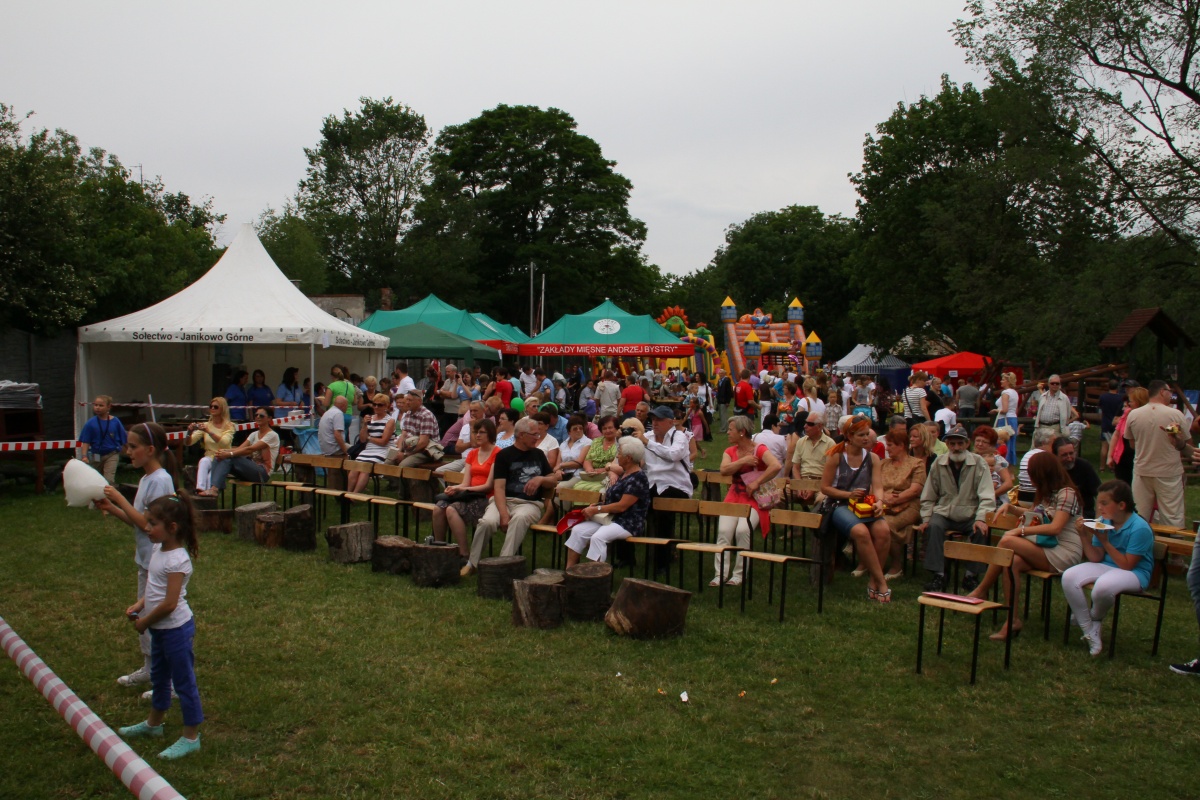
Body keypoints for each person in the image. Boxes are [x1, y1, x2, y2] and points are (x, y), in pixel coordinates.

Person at [116, 493, 204, 760]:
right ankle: (154, 723)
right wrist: (140, 604)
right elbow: (154, 588)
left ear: (172, 528)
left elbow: (169, 603)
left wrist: (144, 622)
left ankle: (191, 737)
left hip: (176, 629)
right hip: (160, 628)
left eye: (152, 523)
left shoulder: (178, 560)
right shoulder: (157, 549)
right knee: (159, 676)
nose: (147, 527)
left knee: (183, 681)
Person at [94, 421, 177, 690]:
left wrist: (118, 498)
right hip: (146, 560)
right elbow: (138, 521)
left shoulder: (161, 481)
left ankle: (170, 680)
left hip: (159, 563)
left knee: (159, 620)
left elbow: (148, 524)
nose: (128, 451)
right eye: (128, 446)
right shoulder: (145, 479)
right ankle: (150, 668)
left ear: (150, 449)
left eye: (133, 446)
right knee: (144, 619)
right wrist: (111, 506)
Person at [967, 451, 1083, 639]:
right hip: (1046, 547)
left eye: (1033, 475)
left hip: (1064, 551)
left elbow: (1055, 527)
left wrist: (1020, 531)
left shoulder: (1067, 493)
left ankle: (981, 590)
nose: (1031, 480)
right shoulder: (1046, 493)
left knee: (1006, 541)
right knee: (1011, 562)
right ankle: (1012, 620)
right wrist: (1011, 508)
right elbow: (1032, 514)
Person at [1061, 480, 1155, 656]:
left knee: (1102, 588)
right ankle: (1089, 629)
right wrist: (1083, 535)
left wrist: (1105, 541)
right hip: (1108, 566)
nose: (1099, 508)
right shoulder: (1104, 522)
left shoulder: (1139, 528)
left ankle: (1093, 618)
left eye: (1104, 503)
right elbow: (1096, 557)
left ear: (1121, 505)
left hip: (1134, 573)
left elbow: (1127, 565)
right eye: (1099, 502)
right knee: (1068, 577)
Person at [463, 418, 560, 575]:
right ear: (522, 435)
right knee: (486, 522)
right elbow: (499, 488)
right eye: (534, 434)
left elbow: (553, 480)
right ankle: (472, 563)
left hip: (529, 504)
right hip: (503, 501)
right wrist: (503, 514)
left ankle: (502, 565)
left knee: (519, 519)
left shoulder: (539, 454)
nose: (538, 437)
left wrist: (541, 479)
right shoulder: (504, 456)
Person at [915, 424, 996, 593]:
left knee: (981, 530)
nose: (956, 448)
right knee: (934, 526)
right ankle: (939, 575)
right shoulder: (939, 462)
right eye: (952, 444)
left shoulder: (979, 463)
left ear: (967, 444)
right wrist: (926, 518)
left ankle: (970, 576)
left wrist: (981, 518)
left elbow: (987, 495)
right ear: (948, 445)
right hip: (945, 511)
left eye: (960, 444)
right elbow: (928, 494)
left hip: (970, 512)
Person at [819, 414, 892, 600]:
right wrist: (848, 495)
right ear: (849, 436)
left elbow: (877, 486)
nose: (866, 438)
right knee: (861, 532)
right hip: (839, 505)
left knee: (883, 530)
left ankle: (873, 581)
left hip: (864, 505)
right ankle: (881, 581)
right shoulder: (836, 457)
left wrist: (879, 502)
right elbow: (825, 488)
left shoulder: (873, 458)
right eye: (861, 435)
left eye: (867, 434)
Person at [714, 416, 782, 587]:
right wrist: (744, 460)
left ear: (742, 432)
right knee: (723, 530)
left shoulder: (760, 449)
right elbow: (723, 470)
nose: (728, 432)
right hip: (734, 495)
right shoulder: (729, 451)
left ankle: (739, 573)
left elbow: (776, 466)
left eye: (731, 429)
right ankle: (720, 573)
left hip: (754, 497)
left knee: (743, 530)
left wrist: (757, 482)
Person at [565, 437, 651, 566]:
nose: (617, 455)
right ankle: (570, 572)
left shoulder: (638, 478)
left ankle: (596, 577)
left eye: (620, 453)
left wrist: (597, 509)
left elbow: (622, 506)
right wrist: (598, 505)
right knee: (578, 531)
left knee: (598, 537)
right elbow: (612, 500)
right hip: (610, 518)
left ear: (628, 458)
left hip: (628, 522)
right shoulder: (624, 474)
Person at [1125, 379, 1190, 527]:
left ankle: (1138, 544)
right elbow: (1188, 443)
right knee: (1172, 516)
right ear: (1162, 391)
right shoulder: (1175, 414)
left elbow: (1132, 444)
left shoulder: (1134, 414)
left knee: (1139, 513)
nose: (1171, 395)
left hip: (1142, 469)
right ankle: (1174, 545)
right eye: (1169, 392)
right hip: (1169, 471)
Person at [433, 419, 499, 562]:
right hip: (469, 494)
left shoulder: (497, 454)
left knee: (451, 509)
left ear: (491, 434)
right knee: (439, 508)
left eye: (482, 432)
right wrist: (456, 488)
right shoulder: (472, 454)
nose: (477, 435)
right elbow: (465, 482)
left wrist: (463, 489)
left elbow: (489, 486)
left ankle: (464, 554)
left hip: (486, 497)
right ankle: (439, 549)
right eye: (476, 432)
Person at [638, 405, 694, 544]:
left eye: (659, 420)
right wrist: (626, 437)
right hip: (652, 484)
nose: (654, 423)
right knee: (628, 497)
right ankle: (626, 556)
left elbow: (673, 454)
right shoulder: (647, 436)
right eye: (653, 419)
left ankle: (663, 556)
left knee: (662, 503)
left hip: (676, 485)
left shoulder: (679, 436)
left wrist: (647, 443)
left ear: (671, 422)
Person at [880, 429, 926, 580]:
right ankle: (870, 562)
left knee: (886, 524)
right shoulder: (883, 464)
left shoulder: (917, 464)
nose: (887, 448)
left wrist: (895, 499)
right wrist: (882, 497)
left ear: (901, 446)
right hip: (883, 503)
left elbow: (915, 490)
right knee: (868, 521)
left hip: (910, 505)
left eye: (890, 445)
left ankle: (896, 565)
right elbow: (874, 486)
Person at [207, 407, 278, 495]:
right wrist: (223, 451)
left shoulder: (272, 435)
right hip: (250, 468)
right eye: (256, 415)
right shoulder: (254, 434)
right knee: (220, 455)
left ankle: (215, 489)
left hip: (263, 473)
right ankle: (213, 488)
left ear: (269, 418)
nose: (258, 417)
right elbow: (240, 449)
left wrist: (229, 453)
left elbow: (249, 449)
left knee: (229, 457)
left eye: (261, 415)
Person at [346, 394, 396, 493]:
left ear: (386, 406)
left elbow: (383, 441)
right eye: (374, 404)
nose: (376, 407)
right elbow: (362, 439)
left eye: (380, 405)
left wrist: (369, 437)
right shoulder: (370, 418)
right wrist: (364, 425)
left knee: (365, 469)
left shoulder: (390, 421)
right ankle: (348, 493)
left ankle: (354, 495)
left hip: (383, 450)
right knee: (355, 468)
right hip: (369, 449)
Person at [186, 397, 236, 493]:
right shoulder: (206, 425)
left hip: (221, 458)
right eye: (211, 406)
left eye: (216, 407)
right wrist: (189, 432)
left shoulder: (229, 426)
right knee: (203, 461)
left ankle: (208, 493)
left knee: (210, 477)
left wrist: (208, 431)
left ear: (222, 409)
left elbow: (224, 442)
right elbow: (189, 442)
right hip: (209, 456)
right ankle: (200, 488)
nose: (212, 408)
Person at [78, 395, 127, 484]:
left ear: (108, 406)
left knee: (109, 480)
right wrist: (84, 456)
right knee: (93, 478)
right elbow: (86, 442)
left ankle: (109, 495)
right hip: (96, 455)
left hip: (112, 454)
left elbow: (124, 439)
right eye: (96, 405)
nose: (97, 408)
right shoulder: (90, 423)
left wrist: (128, 451)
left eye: (101, 405)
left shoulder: (115, 421)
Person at [791, 413, 834, 508]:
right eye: (805, 423)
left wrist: (813, 487)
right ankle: (781, 522)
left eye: (809, 424)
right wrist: (799, 486)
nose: (804, 426)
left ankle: (815, 521)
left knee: (822, 500)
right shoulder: (800, 442)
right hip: (802, 481)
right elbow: (795, 468)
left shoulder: (830, 444)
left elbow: (830, 473)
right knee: (777, 495)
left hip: (821, 484)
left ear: (819, 426)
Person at [1054, 436, 1101, 519]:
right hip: (1056, 513)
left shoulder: (1084, 466)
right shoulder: (1052, 469)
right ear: (1055, 456)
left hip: (1084, 515)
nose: (1069, 458)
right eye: (1064, 455)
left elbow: (1099, 493)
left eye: (1071, 453)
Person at [575, 415, 622, 495]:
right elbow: (587, 460)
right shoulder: (596, 441)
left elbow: (619, 463)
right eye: (604, 428)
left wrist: (604, 470)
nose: (607, 431)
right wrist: (590, 470)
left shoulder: (620, 443)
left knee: (597, 491)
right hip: (592, 476)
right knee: (577, 488)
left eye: (610, 428)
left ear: (617, 428)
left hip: (610, 476)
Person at [971, 425, 1013, 503]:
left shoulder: (997, 460)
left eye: (984, 442)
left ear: (991, 444)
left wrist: (991, 496)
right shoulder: (970, 458)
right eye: (978, 441)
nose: (980, 444)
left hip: (994, 500)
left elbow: (1008, 484)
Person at [1016, 428, 1058, 504]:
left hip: (1022, 496)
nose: (1057, 443)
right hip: (1037, 498)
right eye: (1054, 441)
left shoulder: (1027, 454)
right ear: (1044, 442)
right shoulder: (1045, 457)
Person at [1031, 374, 1076, 440]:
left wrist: (1063, 425)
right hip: (1041, 427)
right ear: (1049, 384)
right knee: (1039, 448)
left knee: (1053, 448)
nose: (1055, 385)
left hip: (1055, 428)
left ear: (1060, 385)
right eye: (1052, 383)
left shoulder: (1064, 398)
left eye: (1057, 383)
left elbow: (1068, 413)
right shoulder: (1043, 396)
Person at [557, 414, 593, 486]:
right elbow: (557, 464)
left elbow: (578, 463)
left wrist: (561, 466)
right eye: (575, 429)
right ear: (569, 432)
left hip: (578, 475)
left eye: (580, 428)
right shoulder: (563, 445)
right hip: (564, 475)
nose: (578, 430)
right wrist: (558, 471)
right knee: (548, 484)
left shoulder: (587, 442)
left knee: (560, 487)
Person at [992, 372, 1020, 463]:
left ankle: (1002, 462)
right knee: (1011, 443)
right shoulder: (1015, 393)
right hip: (1013, 419)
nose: (1001, 381)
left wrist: (996, 410)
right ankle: (1011, 466)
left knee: (1001, 442)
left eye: (1003, 380)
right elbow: (1015, 409)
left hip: (1004, 419)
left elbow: (1005, 409)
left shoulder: (1005, 392)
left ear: (1008, 381)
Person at [1097, 379, 1124, 470]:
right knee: (1115, 446)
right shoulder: (1120, 398)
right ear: (1117, 387)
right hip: (1117, 424)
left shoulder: (1103, 397)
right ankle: (1113, 466)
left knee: (1104, 446)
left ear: (1109, 387)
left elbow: (1100, 410)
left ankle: (1102, 467)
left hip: (1105, 423)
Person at [715, 368, 734, 433]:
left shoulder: (726, 380)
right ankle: (723, 427)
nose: (720, 374)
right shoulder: (720, 380)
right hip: (720, 399)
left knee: (724, 415)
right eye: (719, 373)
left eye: (721, 373)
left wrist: (727, 401)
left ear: (724, 374)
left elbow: (728, 391)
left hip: (724, 400)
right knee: (721, 414)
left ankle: (724, 428)